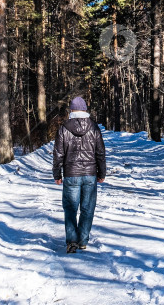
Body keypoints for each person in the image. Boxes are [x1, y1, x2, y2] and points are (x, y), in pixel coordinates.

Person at [52, 96, 106, 253]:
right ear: (85, 110)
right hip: (90, 174)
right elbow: (100, 153)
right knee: (88, 208)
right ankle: (82, 240)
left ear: (71, 111)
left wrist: (57, 174)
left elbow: (58, 154)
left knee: (70, 209)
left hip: (71, 174)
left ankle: (72, 241)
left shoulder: (63, 128)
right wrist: (102, 173)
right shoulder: (94, 128)